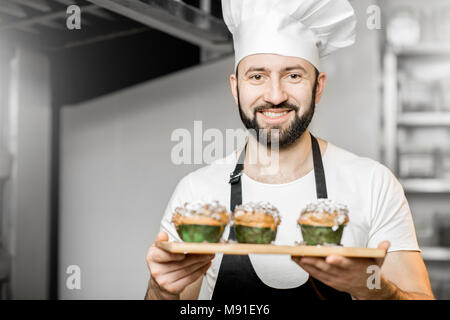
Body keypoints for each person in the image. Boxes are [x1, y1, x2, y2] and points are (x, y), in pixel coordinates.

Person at [145, 0, 434, 300]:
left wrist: (377, 290)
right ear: (235, 88)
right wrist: (160, 292)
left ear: (318, 87)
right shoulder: (196, 194)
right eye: (257, 76)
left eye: (293, 75)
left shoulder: (374, 184)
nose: (274, 95)